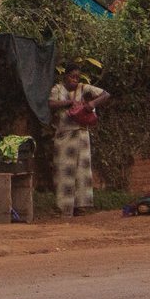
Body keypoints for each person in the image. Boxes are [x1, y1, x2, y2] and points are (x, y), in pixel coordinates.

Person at [47, 63, 111, 217]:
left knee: (82, 172)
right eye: (72, 77)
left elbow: (106, 94)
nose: (75, 80)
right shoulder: (57, 89)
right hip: (64, 136)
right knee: (63, 170)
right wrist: (69, 103)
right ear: (65, 76)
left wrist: (92, 104)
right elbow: (51, 104)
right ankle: (63, 208)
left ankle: (81, 206)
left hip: (82, 135)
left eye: (77, 77)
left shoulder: (83, 88)